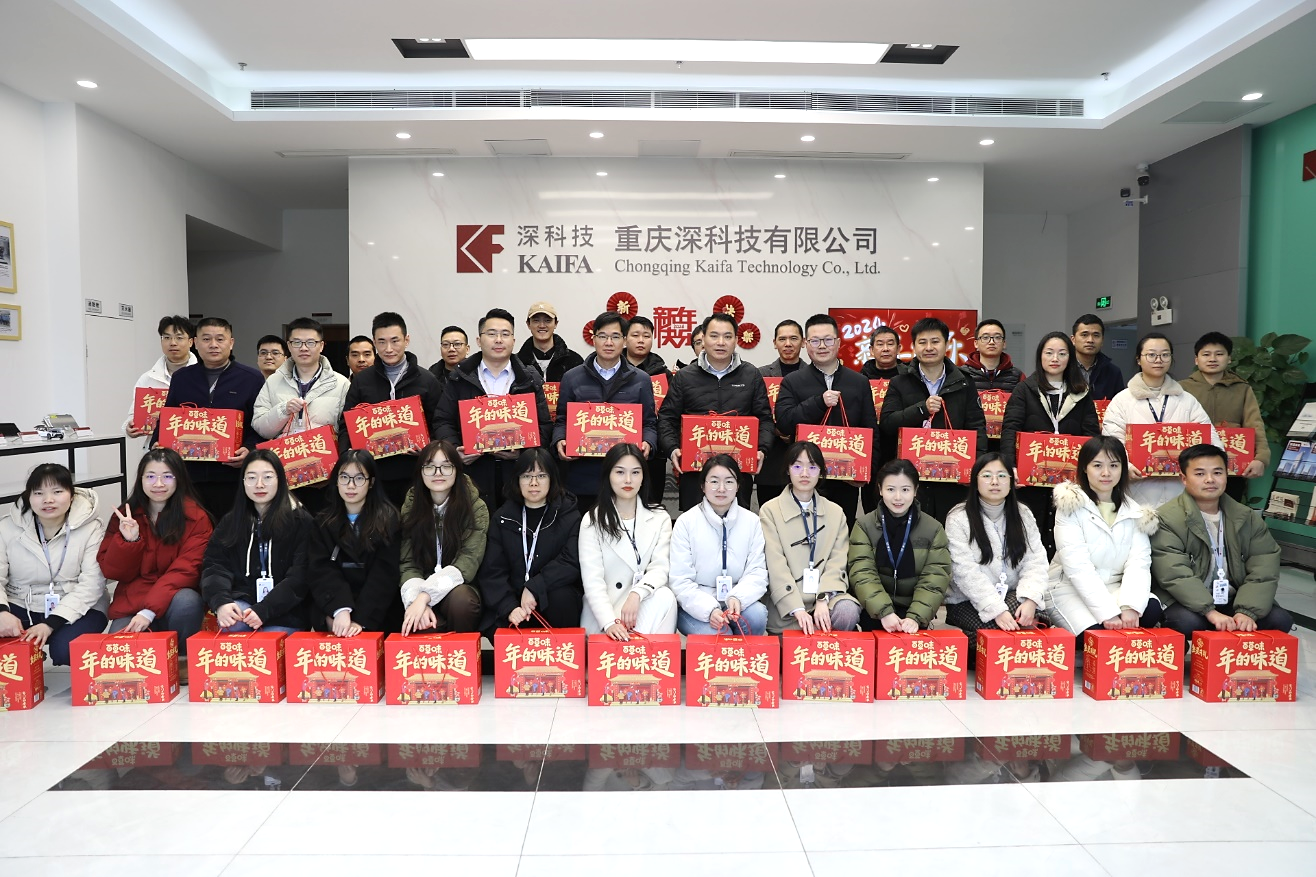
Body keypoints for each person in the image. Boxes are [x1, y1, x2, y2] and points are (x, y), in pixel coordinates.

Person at [1151, 444, 1293, 637]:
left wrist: (1247, 611)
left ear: (1227, 475)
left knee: (1279, 620)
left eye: (1217, 472)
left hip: (1233, 598)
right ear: (1184, 478)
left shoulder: (1246, 517)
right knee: (1186, 622)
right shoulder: (1167, 519)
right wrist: (1210, 612)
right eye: (1200, 474)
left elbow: (1264, 565)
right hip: (1184, 600)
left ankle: (1233, 653)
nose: (1210, 479)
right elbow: (1175, 573)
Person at [99, 448, 213, 658]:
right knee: (122, 655)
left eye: (167, 477)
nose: (158, 484)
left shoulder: (196, 518)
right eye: (150, 477)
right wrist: (129, 541)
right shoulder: (125, 516)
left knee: (188, 601)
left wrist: (149, 611)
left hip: (174, 601)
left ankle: (181, 660)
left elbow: (186, 570)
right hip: (133, 604)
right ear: (140, 480)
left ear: (179, 479)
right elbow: (113, 571)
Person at [436, 308, 553, 510]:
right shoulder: (460, 377)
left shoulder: (529, 378)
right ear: (479, 340)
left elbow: (544, 425)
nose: (498, 340)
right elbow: (442, 420)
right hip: (473, 472)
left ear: (513, 341)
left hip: (518, 474)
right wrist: (455, 450)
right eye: (491, 334)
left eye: (505, 334)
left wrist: (523, 453)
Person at [1045, 436, 1163, 634]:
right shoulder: (1070, 506)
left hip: (1114, 587)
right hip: (1068, 587)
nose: (1106, 473)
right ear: (1085, 468)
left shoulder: (1135, 512)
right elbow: (1078, 567)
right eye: (1097, 465)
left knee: (1149, 610)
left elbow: (1139, 563)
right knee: (1097, 632)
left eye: (1114, 465)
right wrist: (1107, 613)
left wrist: (1129, 606)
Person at [657, 312, 774, 511]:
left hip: (737, 471)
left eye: (727, 336)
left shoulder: (751, 375)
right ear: (703, 339)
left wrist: (762, 449)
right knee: (695, 526)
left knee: (737, 525)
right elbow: (667, 418)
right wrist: (672, 448)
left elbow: (765, 419)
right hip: (695, 472)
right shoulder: (685, 376)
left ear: (736, 340)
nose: (721, 342)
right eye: (714, 336)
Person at [153, 316, 266, 519]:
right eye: (206, 339)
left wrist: (249, 449)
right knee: (191, 528)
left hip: (232, 475)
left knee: (231, 529)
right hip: (189, 475)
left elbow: (260, 423)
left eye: (220, 339)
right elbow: (168, 417)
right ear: (196, 343)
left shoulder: (251, 378)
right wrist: (157, 442)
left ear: (231, 343)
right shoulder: (182, 378)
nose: (213, 345)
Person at [1000, 332, 1101, 554]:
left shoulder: (1081, 393)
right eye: (1049, 353)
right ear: (1040, 356)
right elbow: (1010, 430)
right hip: (1030, 479)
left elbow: (1092, 434)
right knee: (1030, 534)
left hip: (1070, 480)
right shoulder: (1025, 390)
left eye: (1062, 353)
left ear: (1070, 358)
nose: (1055, 358)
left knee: (1067, 537)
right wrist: (1010, 467)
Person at [774, 314, 879, 527]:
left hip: (846, 480)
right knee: (801, 531)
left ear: (838, 342)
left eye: (828, 340)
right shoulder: (793, 381)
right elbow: (784, 422)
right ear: (806, 344)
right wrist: (818, 402)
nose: (822, 346)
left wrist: (866, 472)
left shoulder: (858, 382)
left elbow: (871, 430)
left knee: (840, 532)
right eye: (815, 341)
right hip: (804, 477)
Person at [880, 317, 988, 522]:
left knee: (953, 531)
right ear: (913, 346)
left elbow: (977, 427)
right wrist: (921, 409)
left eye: (935, 341)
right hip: (910, 478)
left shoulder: (964, 382)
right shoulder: (899, 382)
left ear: (947, 345)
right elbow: (887, 424)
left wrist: (975, 469)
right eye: (922, 342)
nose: (929, 347)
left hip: (954, 477)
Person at [0, 464, 109, 666]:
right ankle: (26, 662)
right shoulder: (7, 527)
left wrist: (50, 624)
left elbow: (92, 585)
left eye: (57, 492)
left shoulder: (92, 528)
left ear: (72, 495)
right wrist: (1, 612)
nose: (48, 500)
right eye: (38, 493)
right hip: (22, 602)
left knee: (65, 650)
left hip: (79, 604)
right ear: (28, 496)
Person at [200, 450, 316, 633]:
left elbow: (300, 577)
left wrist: (264, 609)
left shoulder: (301, 521)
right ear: (243, 482)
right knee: (233, 623)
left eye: (267, 477)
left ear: (280, 480)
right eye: (251, 478)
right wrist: (221, 602)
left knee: (271, 640)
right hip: (245, 601)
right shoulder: (232, 521)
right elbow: (215, 565)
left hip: (286, 611)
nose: (259, 484)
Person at [552, 312, 657, 512]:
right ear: (593, 339)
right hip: (582, 476)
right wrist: (559, 441)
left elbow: (650, 423)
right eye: (602, 336)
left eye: (615, 337)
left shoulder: (641, 379)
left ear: (624, 340)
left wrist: (648, 443)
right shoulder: (572, 377)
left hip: (625, 479)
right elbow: (562, 420)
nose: (609, 342)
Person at [339, 312, 445, 508]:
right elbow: (346, 423)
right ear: (374, 343)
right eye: (382, 342)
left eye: (395, 341)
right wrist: (348, 455)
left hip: (415, 472)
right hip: (372, 474)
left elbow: (439, 422)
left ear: (406, 340)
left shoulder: (427, 380)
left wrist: (428, 448)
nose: (388, 349)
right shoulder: (362, 381)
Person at [1102, 332, 1219, 508]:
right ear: (1138, 359)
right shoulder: (1122, 400)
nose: (1158, 360)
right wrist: (1126, 466)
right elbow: (1112, 441)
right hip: (1136, 492)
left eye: (1165, 354)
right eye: (1151, 355)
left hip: (1180, 492)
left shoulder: (1187, 400)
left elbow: (1209, 438)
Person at [478, 448, 583, 637]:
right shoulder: (503, 518)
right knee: (496, 619)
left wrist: (535, 587)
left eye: (541, 476)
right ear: (517, 480)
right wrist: (509, 607)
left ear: (552, 479)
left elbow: (570, 562)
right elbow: (492, 571)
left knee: (562, 596)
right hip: (514, 603)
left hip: (551, 599)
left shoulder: (569, 514)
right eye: (527, 476)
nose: (534, 483)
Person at [760, 441, 862, 634]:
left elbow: (837, 561)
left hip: (826, 601)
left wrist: (823, 598)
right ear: (788, 470)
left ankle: (829, 648)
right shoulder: (770, 511)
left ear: (821, 471)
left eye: (812, 467)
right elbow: (775, 564)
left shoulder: (835, 512)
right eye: (797, 466)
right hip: (787, 606)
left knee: (847, 611)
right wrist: (797, 609)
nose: (805, 473)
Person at [578, 443, 678, 640]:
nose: (628, 480)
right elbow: (592, 580)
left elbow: (660, 568)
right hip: (605, 613)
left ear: (643, 477)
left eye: (635, 472)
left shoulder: (660, 517)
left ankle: (652, 656)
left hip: (640, 606)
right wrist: (609, 622)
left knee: (665, 596)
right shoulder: (592, 520)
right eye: (620, 472)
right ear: (608, 475)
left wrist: (637, 594)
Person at [252, 317, 352, 513]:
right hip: (283, 475)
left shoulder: (341, 384)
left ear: (321, 346)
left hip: (325, 477)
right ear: (289, 346)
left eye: (310, 342)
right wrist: (283, 410)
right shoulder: (273, 382)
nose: (304, 348)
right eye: (297, 342)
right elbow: (260, 427)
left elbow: (346, 430)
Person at [943, 453, 1048, 636]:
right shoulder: (958, 518)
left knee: (1029, 616)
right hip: (968, 600)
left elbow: (1035, 560)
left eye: (1001, 475)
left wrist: (1030, 600)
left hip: (1013, 594)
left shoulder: (1023, 514)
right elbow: (964, 572)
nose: (994, 482)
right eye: (986, 475)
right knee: (999, 631)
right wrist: (996, 610)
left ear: (1011, 481)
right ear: (975, 481)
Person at [668, 455, 770, 636]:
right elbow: (680, 580)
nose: (721, 489)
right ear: (703, 485)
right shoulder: (686, 522)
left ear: (738, 486)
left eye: (729, 482)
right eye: (714, 481)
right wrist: (710, 610)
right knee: (720, 633)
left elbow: (757, 571)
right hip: (696, 605)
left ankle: (745, 655)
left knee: (757, 616)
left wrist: (738, 598)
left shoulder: (751, 521)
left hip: (737, 600)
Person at [847, 460, 951, 632]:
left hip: (914, 610)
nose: (898, 497)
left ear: (915, 490)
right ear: (880, 489)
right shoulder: (864, 526)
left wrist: (916, 616)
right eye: (890, 489)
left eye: (905, 490)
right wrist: (884, 612)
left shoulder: (933, 529)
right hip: (874, 610)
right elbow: (862, 573)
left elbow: (935, 576)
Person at [308, 449, 403, 635]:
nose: (350, 485)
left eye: (359, 478)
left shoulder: (389, 520)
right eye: (344, 477)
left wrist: (361, 619)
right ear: (336, 481)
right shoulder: (322, 522)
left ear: (371, 482)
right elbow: (321, 570)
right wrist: (340, 609)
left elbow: (384, 574)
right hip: (335, 607)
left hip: (376, 611)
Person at [398, 440, 487, 636]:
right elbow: (407, 562)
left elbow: (468, 560)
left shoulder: (475, 507)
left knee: (462, 602)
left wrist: (425, 596)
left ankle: (464, 653)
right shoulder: (411, 505)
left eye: (446, 466)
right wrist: (416, 601)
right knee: (418, 621)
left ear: (457, 470)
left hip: (459, 585)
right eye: (430, 466)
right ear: (421, 472)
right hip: (420, 584)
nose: (438, 473)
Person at [1180, 332, 1270, 501]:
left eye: (1219, 354)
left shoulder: (1242, 389)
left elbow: (1255, 425)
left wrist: (1261, 459)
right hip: (1192, 465)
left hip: (1231, 466)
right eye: (1206, 354)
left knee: (1229, 513)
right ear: (1196, 360)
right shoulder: (1182, 389)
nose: (1212, 359)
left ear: (1229, 359)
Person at [860, 325, 912, 512]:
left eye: (890, 344)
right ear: (871, 349)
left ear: (899, 348)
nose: (885, 349)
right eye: (880, 344)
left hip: (900, 446)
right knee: (872, 503)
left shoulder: (911, 378)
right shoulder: (859, 379)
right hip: (869, 449)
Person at [123, 315, 197, 439]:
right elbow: (133, 415)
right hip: (157, 446)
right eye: (167, 337)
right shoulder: (147, 378)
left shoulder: (204, 376)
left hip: (190, 442)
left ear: (191, 342)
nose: (173, 343)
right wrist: (129, 427)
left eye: (179, 338)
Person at [624, 315, 672, 505]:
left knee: (651, 504)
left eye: (646, 336)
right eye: (635, 335)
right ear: (625, 338)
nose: (641, 340)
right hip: (619, 447)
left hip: (653, 451)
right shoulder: (613, 370)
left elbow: (670, 413)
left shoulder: (664, 375)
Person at [757, 319, 805, 506]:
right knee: (769, 513)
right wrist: (776, 429)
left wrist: (794, 431)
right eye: (782, 339)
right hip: (771, 455)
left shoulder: (814, 374)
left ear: (803, 342)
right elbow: (755, 411)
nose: (788, 344)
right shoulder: (760, 375)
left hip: (804, 455)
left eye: (794, 338)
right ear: (774, 343)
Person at [518, 302, 584, 383]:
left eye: (547, 321)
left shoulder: (574, 361)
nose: (542, 325)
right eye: (536, 321)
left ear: (556, 323)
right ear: (528, 324)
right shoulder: (517, 362)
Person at [1070, 314, 1124, 401]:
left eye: (1096, 335)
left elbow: (1120, 405)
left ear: (1102, 340)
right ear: (1073, 340)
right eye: (1084, 335)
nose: (1090, 340)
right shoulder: (1063, 368)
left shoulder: (1113, 372)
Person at [963, 319, 1023, 393]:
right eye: (985, 337)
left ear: (1004, 343)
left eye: (997, 337)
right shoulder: (962, 375)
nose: (991, 342)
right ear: (976, 343)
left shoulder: (1018, 376)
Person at [427, 325, 470, 395]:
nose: (451, 349)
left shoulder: (477, 374)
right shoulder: (431, 376)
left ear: (467, 349)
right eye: (446, 344)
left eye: (457, 344)